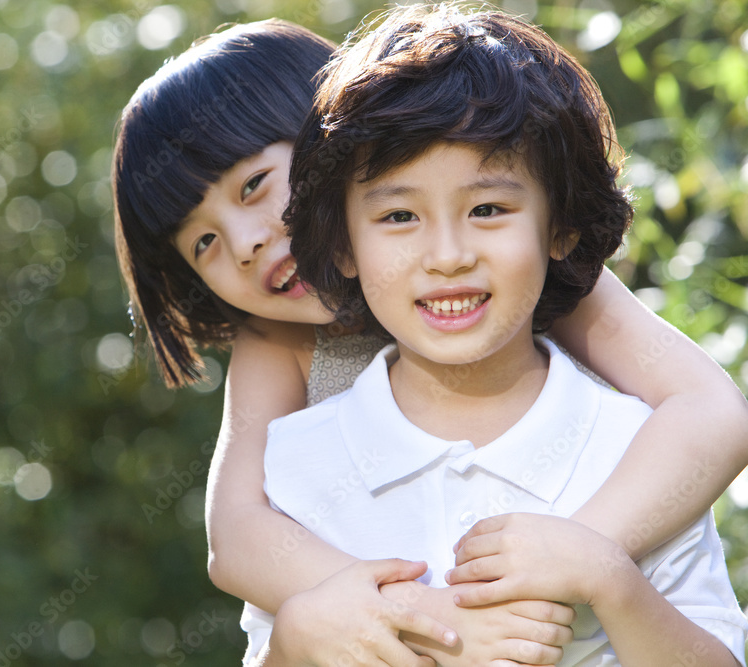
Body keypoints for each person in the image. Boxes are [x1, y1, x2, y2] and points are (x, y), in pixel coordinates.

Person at [111, 15, 748, 667]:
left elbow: (713, 412)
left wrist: (576, 555)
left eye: (254, 186)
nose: (244, 243)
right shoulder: (275, 342)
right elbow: (238, 536)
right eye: (204, 242)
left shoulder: (511, 261)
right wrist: (417, 615)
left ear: (333, 142)